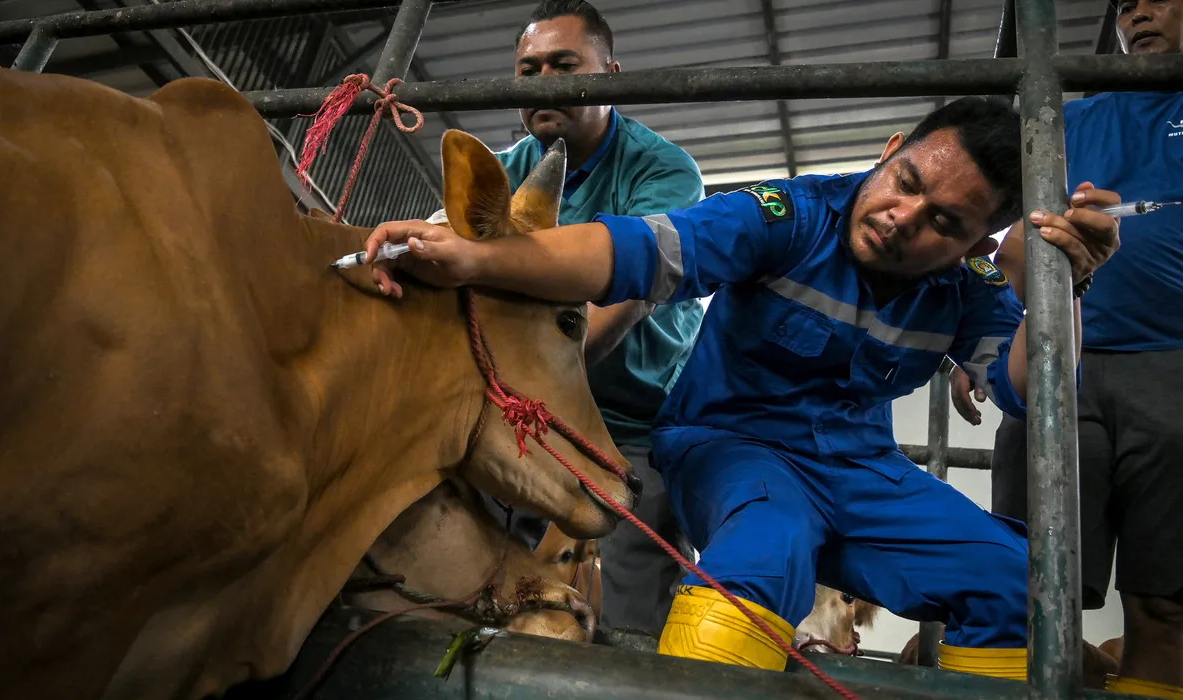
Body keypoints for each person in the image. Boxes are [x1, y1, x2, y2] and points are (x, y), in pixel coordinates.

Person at [364, 95, 1120, 679]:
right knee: (767, 548)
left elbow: (1025, 392)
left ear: (975, 244)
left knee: (1015, 580)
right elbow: (637, 252)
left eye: (943, 222)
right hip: (731, 445)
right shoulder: (788, 216)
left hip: (860, 472)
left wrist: (1068, 285)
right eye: (905, 183)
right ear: (890, 152)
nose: (902, 218)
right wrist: (476, 259)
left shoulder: (972, 288)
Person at [948, 1, 1183, 696]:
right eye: (1127, 3)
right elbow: (988, 229)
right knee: (1020, 597)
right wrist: (979, 342)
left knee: (1165, 605)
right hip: (1060, 359)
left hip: (1174, 369)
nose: (1139, 12)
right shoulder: (1063, 117)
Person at [479, 0, 704, 637]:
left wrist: (536, 381)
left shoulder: (663, 169)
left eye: (564, 64)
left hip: (635, 416)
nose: (544, 80)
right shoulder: (506, 168)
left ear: (610, 73)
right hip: (527, 408)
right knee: (490, 565)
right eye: (529, 69)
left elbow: (627, 292)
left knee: (637, 598)